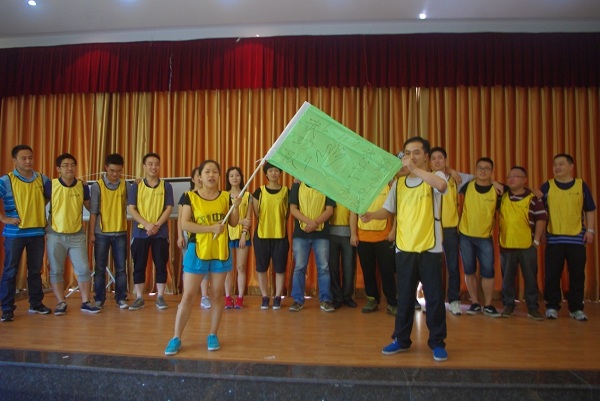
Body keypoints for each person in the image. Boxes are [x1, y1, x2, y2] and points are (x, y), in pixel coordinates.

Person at [362, 136, 448, 362]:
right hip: (404, 249)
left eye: (416, 153)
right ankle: (401, 339)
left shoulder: (435, 177)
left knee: (434, 298)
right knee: (405, 298)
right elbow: (388, 210)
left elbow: (442, 187)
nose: (411, 157)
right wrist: (371, 215)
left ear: (426, 156)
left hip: (430, 248)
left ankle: (437, 342)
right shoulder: (399, 185)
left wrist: (414, 169)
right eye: (407, 153)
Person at [164, 160, 241, 355]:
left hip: (220, 252)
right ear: (199, 176)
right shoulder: (189, 196)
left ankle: (213, 334)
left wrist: (236, 206)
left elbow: (233, 223)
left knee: (217, 294)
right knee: (189, 295)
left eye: (215, 171)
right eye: (207, 172)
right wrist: (210, 229)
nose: (211, 175)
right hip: (197, 250)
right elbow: (185, 224)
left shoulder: (225, 197)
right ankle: (176, 337)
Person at [0, 145, 52, 322]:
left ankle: (36, 303)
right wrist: (4, 218)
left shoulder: (42, 179)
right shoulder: (6, 180)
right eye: (23, 158)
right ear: (14, 160)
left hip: (37, 232)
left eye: (30, 157)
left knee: (35, 271)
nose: (28, 161)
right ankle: (7, 308)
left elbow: (52, 195)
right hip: (15, 234)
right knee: (10, 271)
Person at [541, 154, 596, 321]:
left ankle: (576, 308)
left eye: (561, 164)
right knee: (552, 274)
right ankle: (552, 306)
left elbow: (590, 209)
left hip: (576, 239)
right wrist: (541, 233)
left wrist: (590, 230)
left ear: (571, 166)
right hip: (554, 239)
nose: (557, 167)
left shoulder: (581, 185)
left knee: (577, 275)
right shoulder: (547, 186)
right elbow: (540, 211)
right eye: (555, 165)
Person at [45, 153, 101, 315]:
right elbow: (40, 205)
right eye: (65, 165)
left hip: (77, 234)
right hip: (55, 234)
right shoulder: (51, 185)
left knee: (84, 269)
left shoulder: (82, 186)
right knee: (56, 270)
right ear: (58, 169)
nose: (69, 168)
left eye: (72, 165)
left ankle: (85, 301)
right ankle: (61, 302)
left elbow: (90, 207)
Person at [429, 147, 474, 316]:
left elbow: (479, 179)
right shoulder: (426, 178)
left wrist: (451, 171)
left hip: (450, 229)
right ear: (429, 162)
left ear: (445, 160)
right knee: (432, 267)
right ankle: (433, 300)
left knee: (453, 266)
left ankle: (454, 300)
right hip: (431, 229)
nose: (437, 161)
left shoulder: (455, 179)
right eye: (433, 158)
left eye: (440, 158)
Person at [498, 166, 546, 320]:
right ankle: (508, 305)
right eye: (509, 176)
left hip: (527, 245)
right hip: (507, 244)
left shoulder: (533, 198)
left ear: (524, 180)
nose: (511, 179)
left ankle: (532, 307)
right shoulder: (502, 196)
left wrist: (536, 241)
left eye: (516, 176)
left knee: (530, 278)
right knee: (507, 278)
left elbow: (541, 219)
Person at [127, 152, 174, 311]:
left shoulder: (166, 186)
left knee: (161, 264)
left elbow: (169, 208)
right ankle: (139, 297)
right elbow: (132, 209)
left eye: (157, 164)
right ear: (144, 166)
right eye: (150, 164)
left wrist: (157, 225)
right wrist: (147, 224)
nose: (154, 167)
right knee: (139, 265)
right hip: (140, 233)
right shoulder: (136, 186)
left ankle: (160, 296)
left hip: (160, 233)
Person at [458, 157, 501, 317]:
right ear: (475, 170)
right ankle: (475, 302)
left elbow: (518, 190)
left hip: (485, 237)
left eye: (486, 168)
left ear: (492, 172)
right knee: (469, 270)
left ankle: (488, 305)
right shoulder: (466, 185)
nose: (483, 171)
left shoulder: (498, 190)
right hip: (465, 235)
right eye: (480, 168)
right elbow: (449, 173)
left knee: (488, 272)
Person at [349, 184, 398, 315]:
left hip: (384, 237)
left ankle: (392, 302)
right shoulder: (358, 187)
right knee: (368, 271)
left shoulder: (389, 185)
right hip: (363, 237)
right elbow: (353, 212)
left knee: (387, 271)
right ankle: (372, 299)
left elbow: (397, 211)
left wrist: (393, 231)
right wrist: (353, 234)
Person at [89, 153, 130, 309]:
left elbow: (133, 205)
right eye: (112, 170)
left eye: (118, 171)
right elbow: (93, 212)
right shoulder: (97, 186)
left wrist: (138, 187)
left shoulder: (125, 185)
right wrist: (91, 233)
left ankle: (121, 298)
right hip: (101, 233)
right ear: (106, 168)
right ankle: (99, 298)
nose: (115, 174)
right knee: (100, 268)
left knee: (121, 268)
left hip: (120, 232)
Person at [288, 181, 335, 312]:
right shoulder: (297, 185)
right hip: (301, 233)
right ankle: (297, 300)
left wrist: (315, 223)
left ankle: (325, 300)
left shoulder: (326, 184)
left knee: (324, 268)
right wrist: (310, 222)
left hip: (322, 234)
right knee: (299, 268)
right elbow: (293, 209)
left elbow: (329, 210)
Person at [252, 162, 289, 310]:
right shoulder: (259, 192)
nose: (274, 173)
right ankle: (265, 296)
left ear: (280, 173)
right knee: (261, 268)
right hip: (262, 235)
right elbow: (257, 213)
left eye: (276, 170)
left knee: (280, 268)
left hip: (280, 235)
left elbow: (287, 213)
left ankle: (278, 296)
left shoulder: (286, 191)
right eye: (270, 171)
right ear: (266, 174)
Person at [176, 168, 210, 309]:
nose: (201, 179)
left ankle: (205, 296)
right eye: (198, 176)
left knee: (205, 266)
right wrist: (180, 236)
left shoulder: (209, 195)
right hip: (189, 236)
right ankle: (186, 297)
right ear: (193, 179)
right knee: (188, 267)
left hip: (206, 236)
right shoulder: (187, 196)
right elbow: (180, 218)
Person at [224, 167, 252, 309]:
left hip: (242, 236)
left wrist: (243, 234)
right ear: (228, 179)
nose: (234, 178)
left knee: (241, 267)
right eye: (231, 176)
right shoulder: (223, 196)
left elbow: (249, 218)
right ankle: (228, 297)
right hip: (227, 235)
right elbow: (225, 217)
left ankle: (240, 297)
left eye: (237, 175)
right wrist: (241, 221)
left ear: (241, 177)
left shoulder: (247, 195)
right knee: (228, 268)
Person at [328, 202, 357, 309]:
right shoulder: (330, 192)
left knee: (349, 267)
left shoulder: (350, 193)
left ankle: (347, 296)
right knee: (333, 267)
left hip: (348, 234)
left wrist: (353, 234)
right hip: (330, 234)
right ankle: (336, 297)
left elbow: (353, 213)